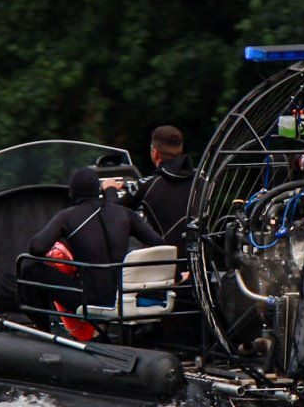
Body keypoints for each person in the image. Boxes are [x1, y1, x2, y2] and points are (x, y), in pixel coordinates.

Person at [26, 167, 162, 327]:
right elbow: (159, 244)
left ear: (72, 194)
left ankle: (42, 330)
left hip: (90, 298)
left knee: (29, 269)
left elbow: (36, 247)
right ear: (98, 190)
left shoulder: (67, 217)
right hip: (125, 295)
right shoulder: (125, 214)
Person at [107, 125, 196, 245]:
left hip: (166, 260)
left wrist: (110, 188)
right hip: (200, 258)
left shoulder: (146, 185)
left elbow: (113, 213)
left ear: (155, 153)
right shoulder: (201, 179)